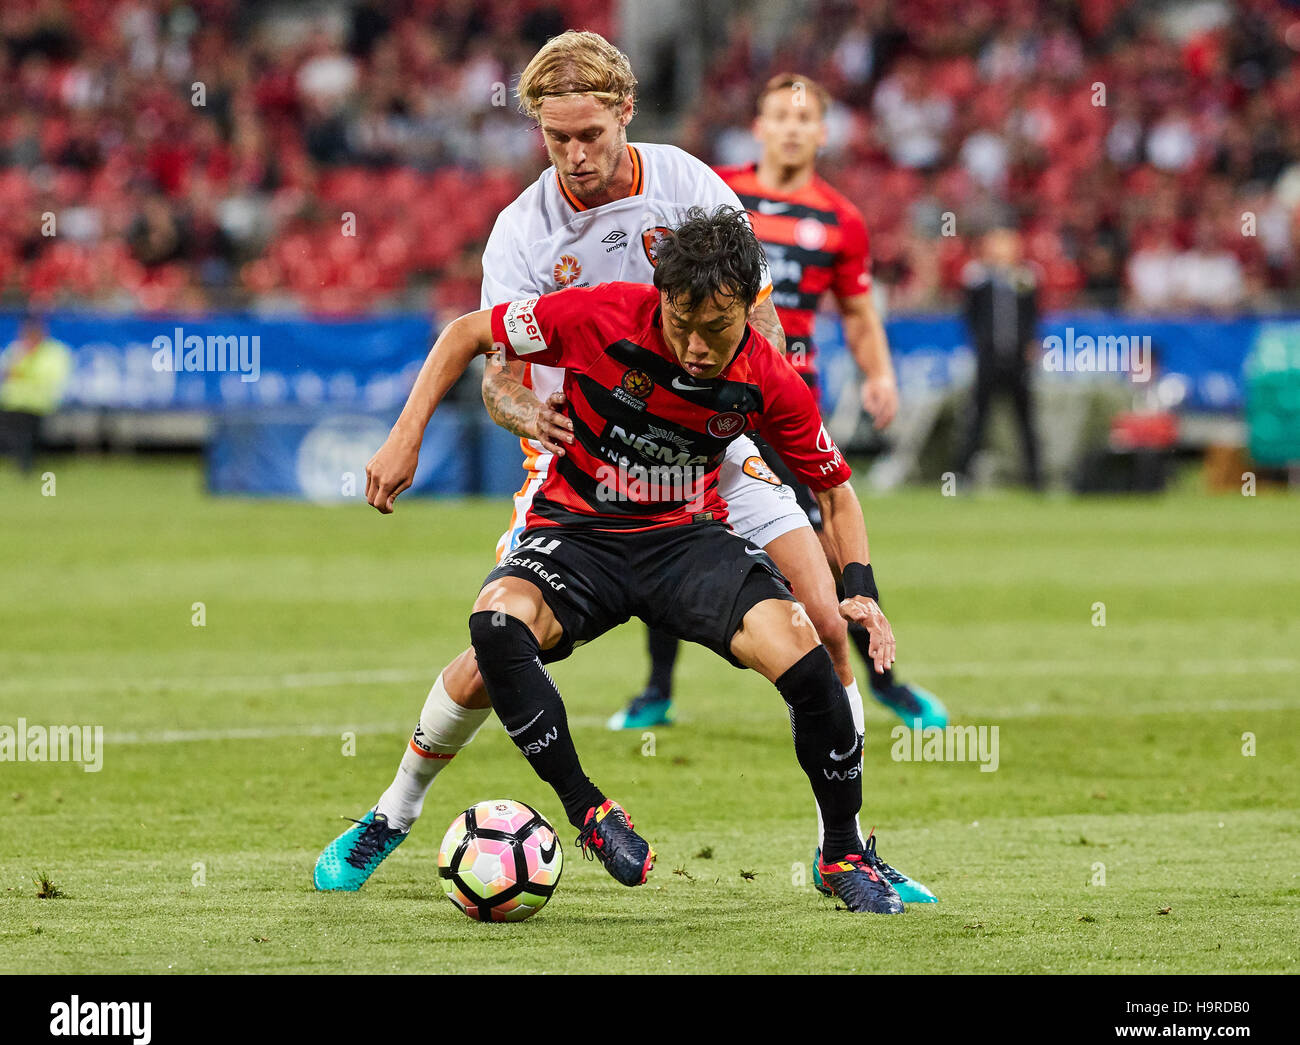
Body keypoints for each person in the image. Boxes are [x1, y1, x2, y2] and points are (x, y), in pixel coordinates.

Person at [314, 32, 934, 905]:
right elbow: (492, 367)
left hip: (715, 445)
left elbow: (763, 324)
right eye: (557, 138)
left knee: (826, 623)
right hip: (580, 460)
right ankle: (393, 811)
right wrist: (524, 411)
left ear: (624, 115)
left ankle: (851, 845)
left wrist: (739, 404)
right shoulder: (524, 233)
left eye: (590, 136)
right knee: (487, 655)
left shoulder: (688, 186)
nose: (576, 155)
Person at [363, 206, 906, 913]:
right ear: (660, 296)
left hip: (684, 539)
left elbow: (835, 492)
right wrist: (406, 435)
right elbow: (467, 332)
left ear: (749, 306)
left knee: (807, 654)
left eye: (717, 327)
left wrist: (859, 587)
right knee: (493, 628)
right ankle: (588, 811)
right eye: (682, 322)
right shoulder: (596, 315)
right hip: (580, 528)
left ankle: (841, 854)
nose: (697, 346)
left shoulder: (768, 379)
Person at [617, 72, 949, 740]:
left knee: (828, 548)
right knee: (670, 524)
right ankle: (656, 688)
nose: (793, 128)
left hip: (788, 404)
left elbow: (857, 311)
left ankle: (883, 679)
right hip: (701, 396)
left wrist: (878, 372)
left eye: (806, 119)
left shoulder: (841, 220)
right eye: (780, 116)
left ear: (823, 132)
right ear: (760, 125)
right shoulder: (718, 194)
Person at [953, 227, 1043, 489]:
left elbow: (1032, 316)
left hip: (1017, 360)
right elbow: (969, 315)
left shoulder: (1025, 278)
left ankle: (1035, 478)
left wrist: (1030, 344)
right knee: (977, 418)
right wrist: (980, 344)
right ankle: (962, 475)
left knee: (1025, 420)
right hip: (989, 359)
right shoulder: (978, 279)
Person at [0, 314, 73, 474]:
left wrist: (23, 369)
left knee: (31, 438)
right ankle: (22, 468)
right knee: (16, 437)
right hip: (14, 402)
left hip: (37, 403)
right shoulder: (17, 349)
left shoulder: (53, 352)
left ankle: (28, 469)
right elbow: (6, 372)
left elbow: (51, 376)